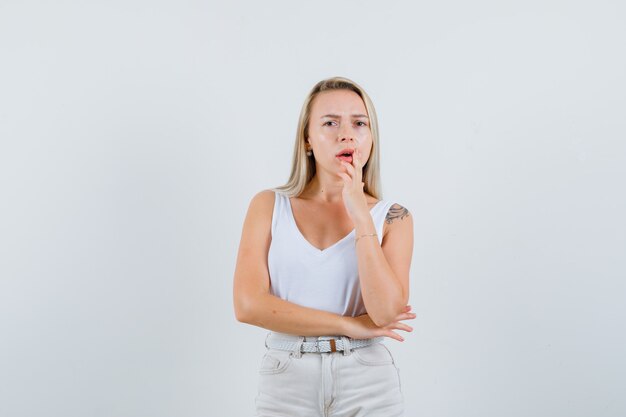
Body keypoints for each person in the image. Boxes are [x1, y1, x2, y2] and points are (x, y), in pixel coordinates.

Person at [233, 76, 415, 417]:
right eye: (330, 122)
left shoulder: (393, 217)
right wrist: (348, 325)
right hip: (286, 377)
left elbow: (385, 313)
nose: (346, 134)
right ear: (307, 139)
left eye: (359, 123)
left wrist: (362, 217)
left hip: (368, 380)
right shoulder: (268, 206)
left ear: (371, 138)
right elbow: (247, 305)